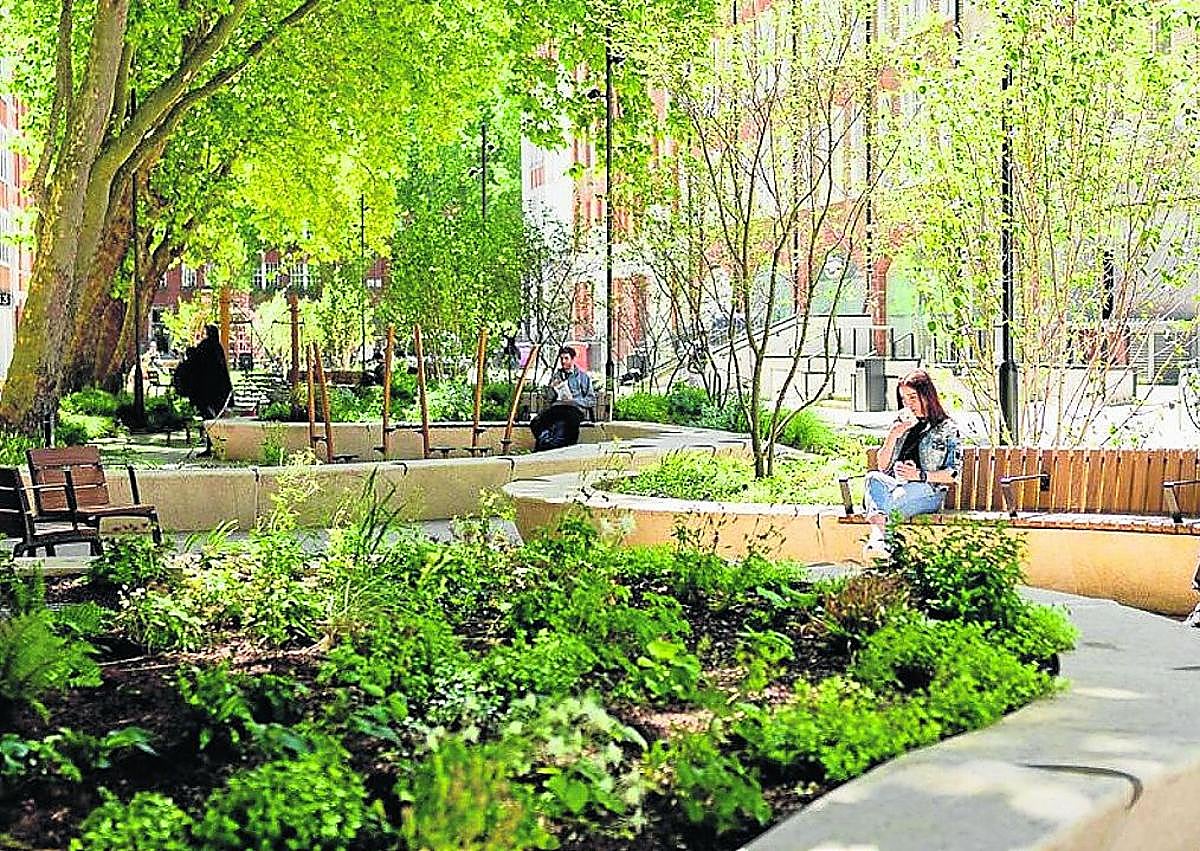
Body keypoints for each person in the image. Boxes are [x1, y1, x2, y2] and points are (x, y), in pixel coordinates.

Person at [862, 369, 961, 559]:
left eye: (913, 397)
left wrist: (919, 475)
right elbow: (882, 467)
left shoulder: (947, 428)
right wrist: (893, 435)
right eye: (904, 399)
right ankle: (883, 546)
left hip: (929, 490)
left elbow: (954, 474)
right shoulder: (901, 424)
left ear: (927, 395)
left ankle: (879, 539)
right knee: (873, 477)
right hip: (898, 487)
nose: (908, 404)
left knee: (886, 505)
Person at [173, 324, 233, 457]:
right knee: (215, 418)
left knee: (209, 419)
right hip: (218, 391)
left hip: (205, 391)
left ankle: (212, 446)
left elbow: (195, 360)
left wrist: (189, 352)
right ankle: (216, 446)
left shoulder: (206, 346)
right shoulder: (217, 348)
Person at [529, 346, 596, 452]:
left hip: (574, 409)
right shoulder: (557, 376)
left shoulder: (583, 377)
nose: (563, 361)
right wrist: (552, 388)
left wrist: (574, 401)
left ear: (573, 359)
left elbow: (591, 400)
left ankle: (549, 447)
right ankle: (545, 441)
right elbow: (549, 398)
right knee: (536, 422)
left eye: (566, 358)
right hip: (558, 407)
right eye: (561, 359)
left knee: (565, 425)